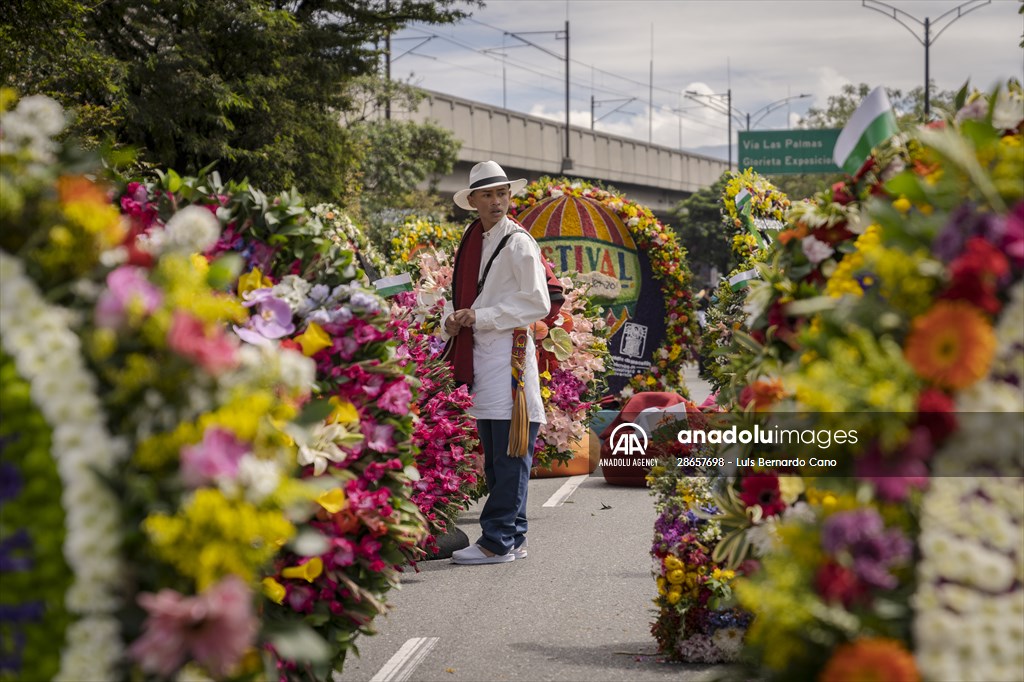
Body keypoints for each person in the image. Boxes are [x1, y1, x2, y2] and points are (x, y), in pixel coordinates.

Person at [442, 160, 550, 565]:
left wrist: (480, 317)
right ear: (472, 201)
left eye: (502, 193)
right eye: (487, 194)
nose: (496, 201)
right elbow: (463, 299)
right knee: (497, 455)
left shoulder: (518, 242)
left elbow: (537, 302)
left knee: (509, 455)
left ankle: (497, 541)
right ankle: (513, 536)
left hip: (509, 360)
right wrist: (452, 319)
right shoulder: (475, 239)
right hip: (482, 360)